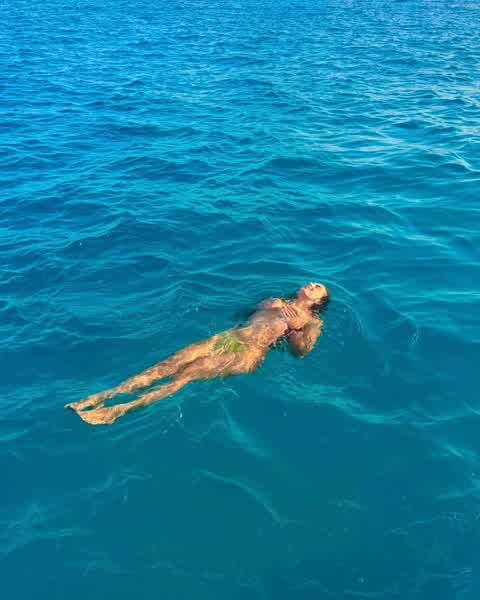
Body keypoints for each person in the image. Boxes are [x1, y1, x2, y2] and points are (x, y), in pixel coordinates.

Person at [66, 282, 330, 425]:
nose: (311, 284)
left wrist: (295, 329)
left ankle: (119, 410)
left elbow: (301, 352)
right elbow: (240, 315)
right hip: (228, 337)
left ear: (318, 302)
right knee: (167, 365)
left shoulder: (311, 322)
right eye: (311, 283)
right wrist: (263, 306)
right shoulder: (275, 300)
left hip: (248, 353)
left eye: (317, 287)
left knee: (183, 375)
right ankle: (104, 395)